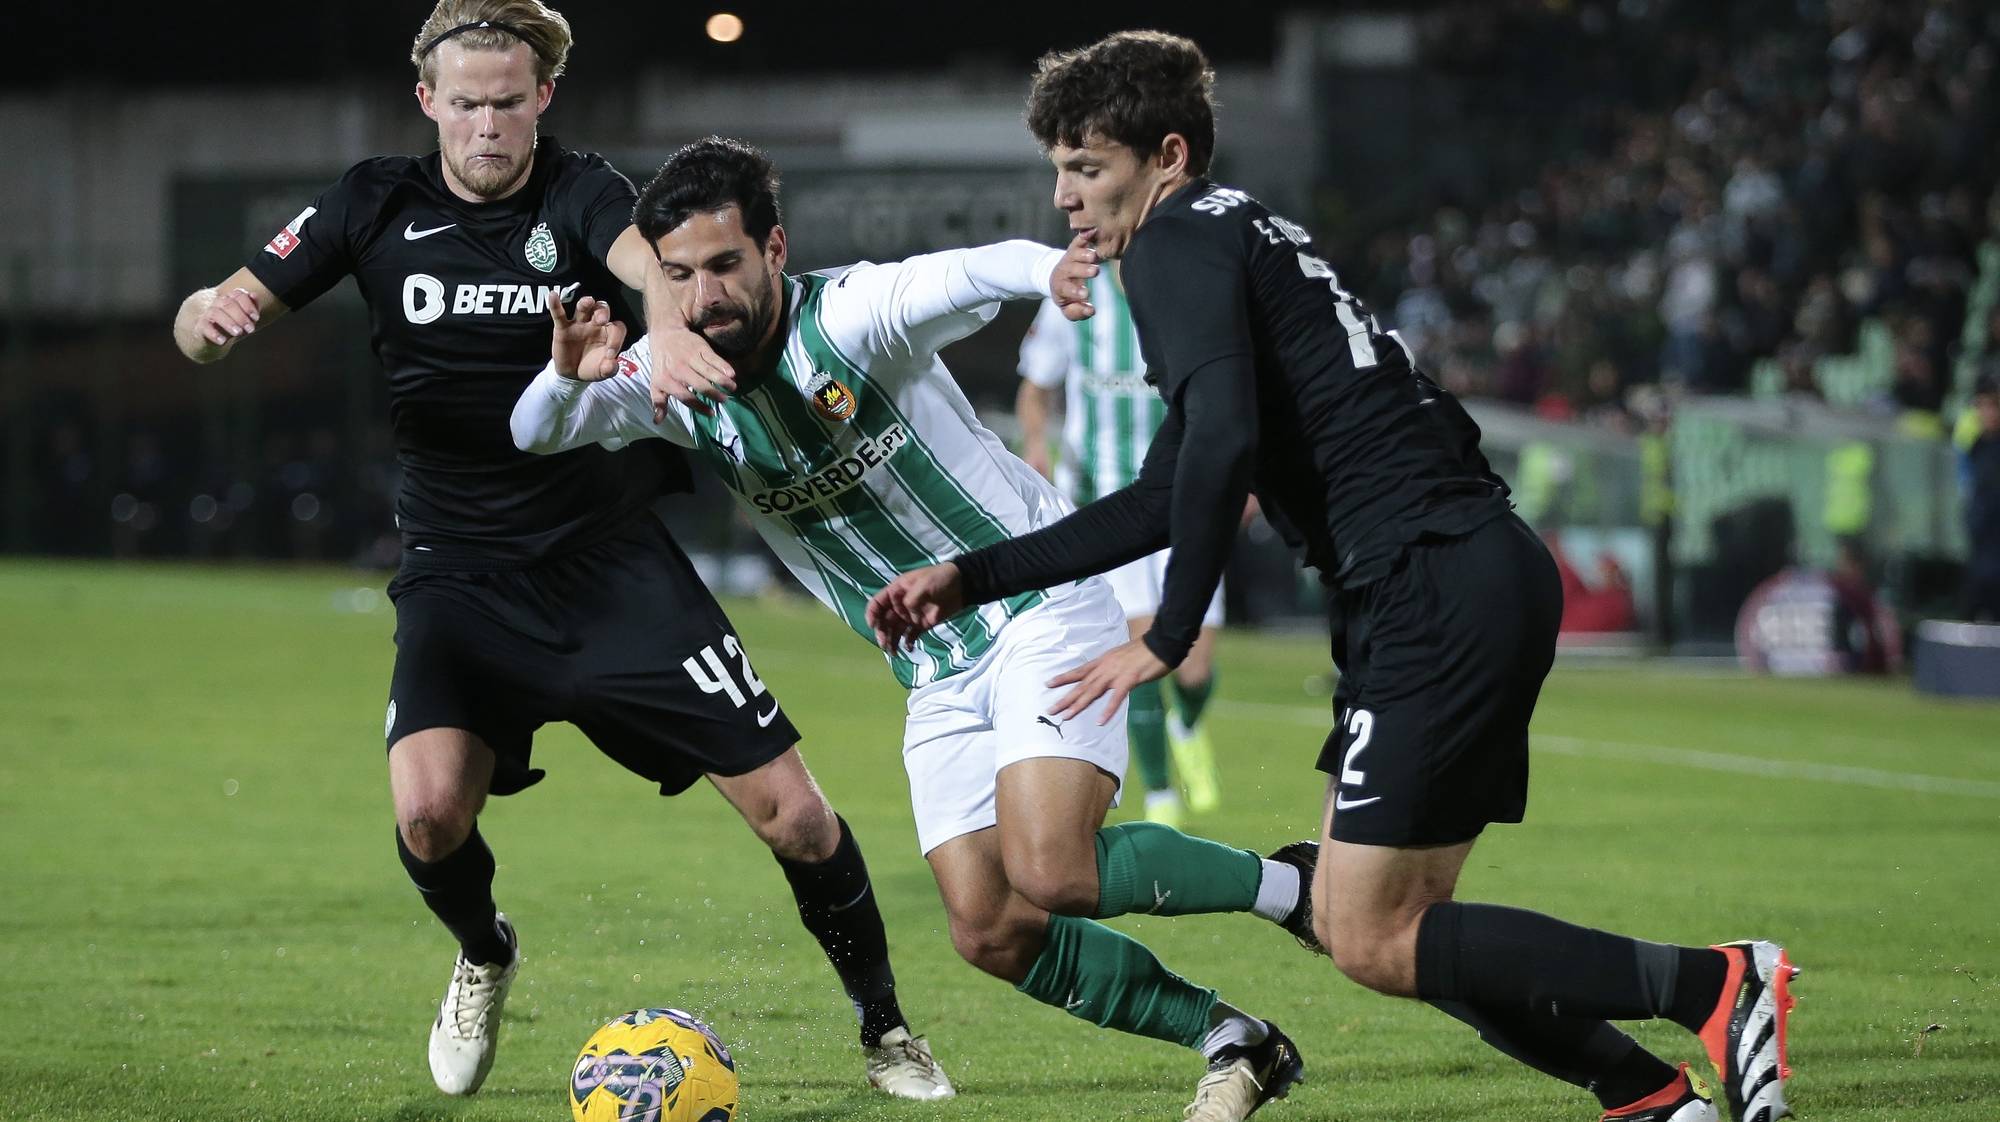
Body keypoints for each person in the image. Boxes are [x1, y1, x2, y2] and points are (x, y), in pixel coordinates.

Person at [869, 31, 1799, 1122]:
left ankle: (1716, 986)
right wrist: (970, 578)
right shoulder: (1236, 235)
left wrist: (1163, 634)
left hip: (1425, 580)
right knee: (1394, 921)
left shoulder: (1171, 246)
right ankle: (1645, 1094)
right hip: (1455, 573)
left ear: (1165, 155)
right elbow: (1163, 493)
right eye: (1058, 172)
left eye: (1087, 167)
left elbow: (1215, 447)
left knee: (1366, 930)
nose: (1066, 198)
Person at [167, 1, 949, 1102]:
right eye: (467, 102)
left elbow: (642, 257)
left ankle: (886, 1031)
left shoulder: (580, 193)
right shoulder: (370, 200)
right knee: (429, 815)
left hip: (608, 560)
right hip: (457, 568)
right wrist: (207, 318)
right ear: (427, 98)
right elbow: (221, 303)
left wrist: (666, 320)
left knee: (797, 815)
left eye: (508, 101)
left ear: (543, 99)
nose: (487, 125)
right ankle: (485, 951)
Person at [512, 135, 1319, 1122]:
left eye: (725, 265)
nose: (704, 295)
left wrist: (1052, 272)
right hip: (935, 671)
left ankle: (1293, 890)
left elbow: (972, 270)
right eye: (677, 276)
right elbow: (533, 431)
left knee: (1054, 867)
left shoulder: (848, 318)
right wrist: (567, 375)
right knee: (988, 929)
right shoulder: (671, 378)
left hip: (1031, 607)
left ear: (773, 247)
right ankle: (1231, 1037)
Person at [1016, 277, 1228, 827]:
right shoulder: (1074, 292)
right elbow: (1036, 389)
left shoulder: (1183, 285)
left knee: (1195, 666)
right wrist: (1036, 445)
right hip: (1112, 503)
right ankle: (1160, 796)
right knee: (1142, 645)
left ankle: (1186, 727)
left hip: (1190, 493)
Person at [1963, 375, 2000, 621]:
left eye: (1992, 405)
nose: (1986, 412)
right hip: (1981, 545)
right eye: (1980, 405)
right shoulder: (1976, 446)